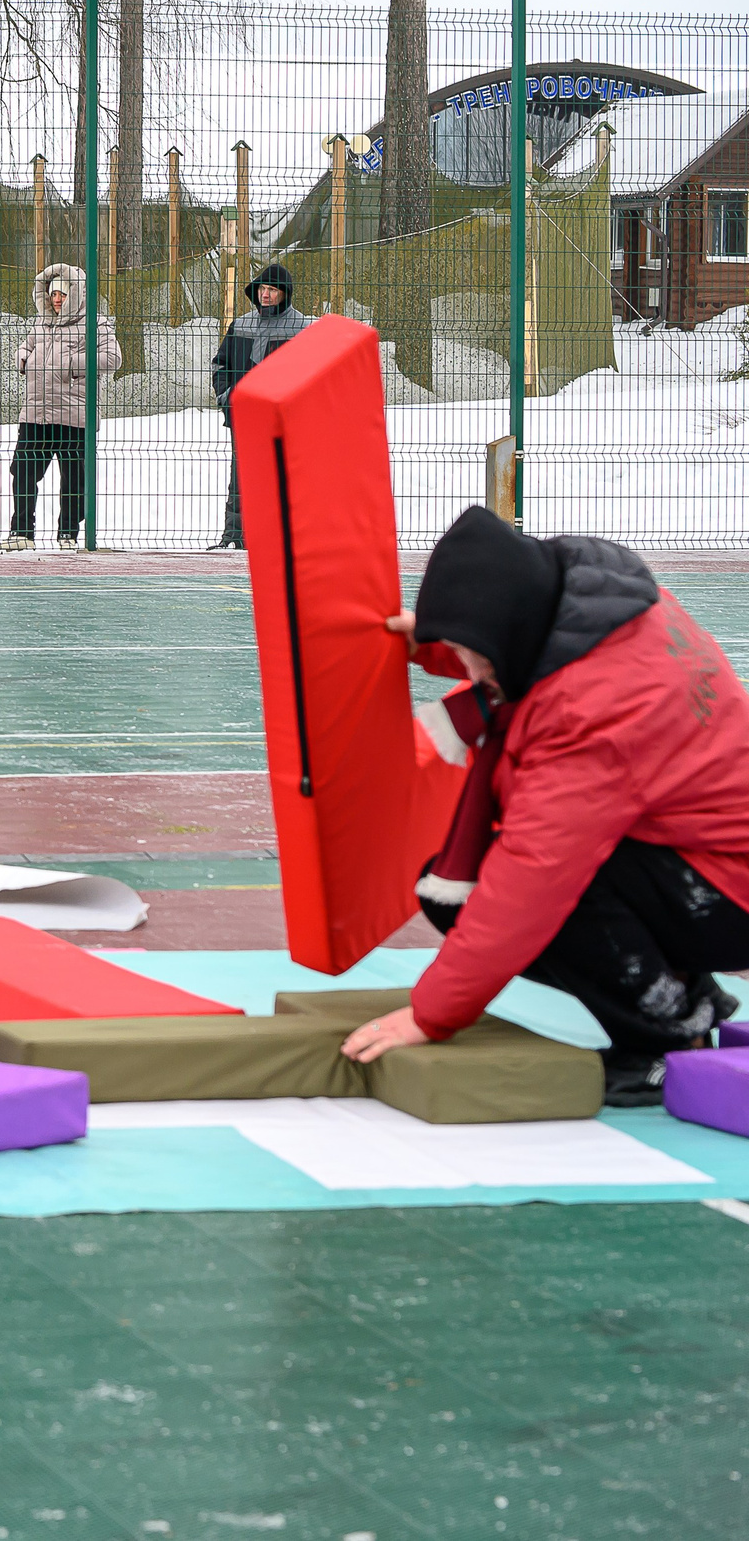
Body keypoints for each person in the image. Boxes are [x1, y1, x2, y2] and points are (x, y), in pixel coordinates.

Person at [344, 507, 749, 1105]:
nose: (474, 671)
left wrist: (429, 1016)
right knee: (470, 895)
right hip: (700, 857)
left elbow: (533, 878)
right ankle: (676, 990)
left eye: (472, 654)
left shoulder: (595, 716)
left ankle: (664, 1038)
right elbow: (525, 648)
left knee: (537, 895)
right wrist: (442, 639)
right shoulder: (601, 601)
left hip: (727, 890)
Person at [0, 263, 119, 551]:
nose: (56, 299)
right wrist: (23, 358)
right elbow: (26, 347)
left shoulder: (95, 323)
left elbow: (112, 358)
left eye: (63, 293)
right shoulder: (40, 322)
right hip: (36, 414)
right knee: (23, 470)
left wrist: (70, 365)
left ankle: (68, 533)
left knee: (73, 480)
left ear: (76, 294)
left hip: (73, 416)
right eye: (53, 293)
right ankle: (21, 533)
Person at [208, 262, 310, 550]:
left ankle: (281, 540)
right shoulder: (241, 323)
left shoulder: (301, 328)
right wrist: (228, 398)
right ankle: (235, 537)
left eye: (273, 289)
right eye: (263, 288)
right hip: (244, 416)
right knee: (240, 478)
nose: (266, 295)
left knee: (282, 479)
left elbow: (310, 374)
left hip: (283, 419)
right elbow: (220, 364)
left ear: (285, 293)